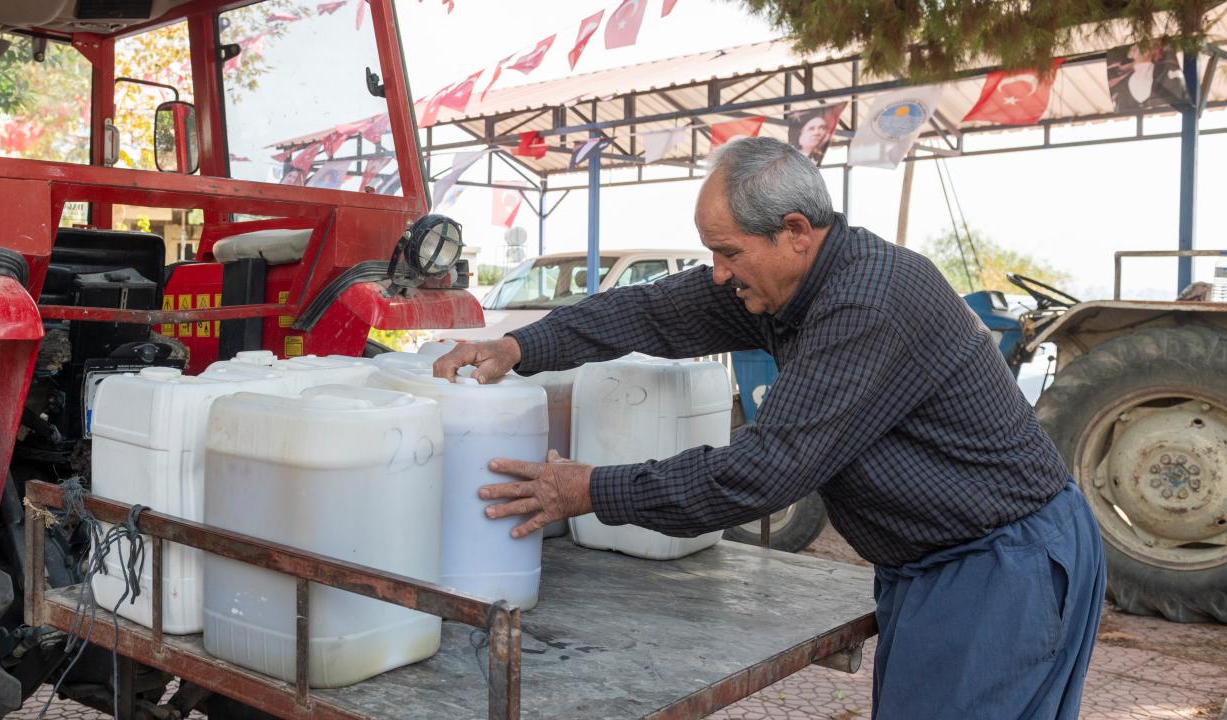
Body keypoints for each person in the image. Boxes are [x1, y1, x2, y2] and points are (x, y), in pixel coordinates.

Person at [432, 136, 1106, 718]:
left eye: (727, 253)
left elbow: (761, 472)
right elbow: (650, 312)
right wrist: (521, 347)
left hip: (998, 565)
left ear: (794, 232)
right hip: (934, 563)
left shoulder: (866, 304)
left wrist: (587, 490)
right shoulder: (781, 286)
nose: (718, 274)